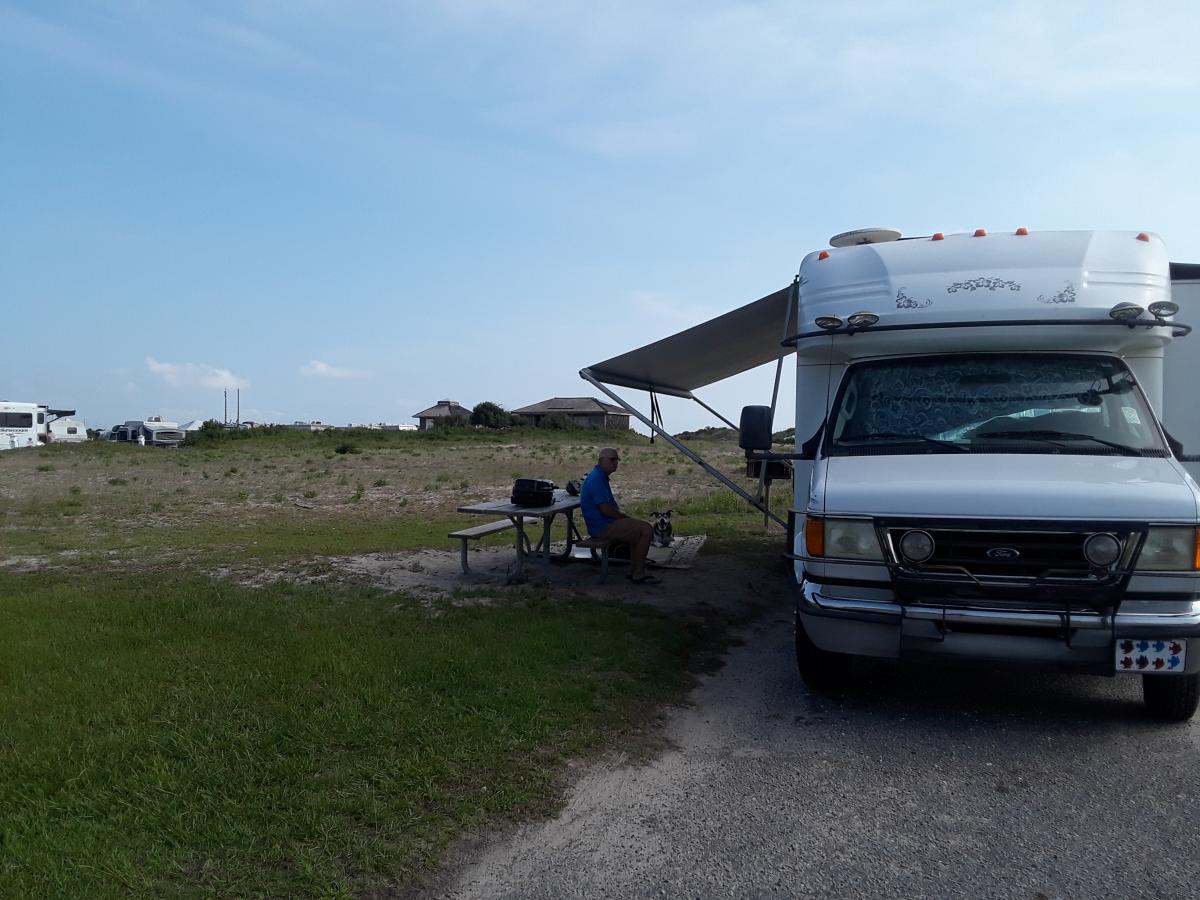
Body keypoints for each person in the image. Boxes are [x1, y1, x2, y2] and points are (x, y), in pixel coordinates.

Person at [579, 447, 660, 584]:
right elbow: (605, 510)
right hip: (603, 526)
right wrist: (625, 518)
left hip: (604, 523)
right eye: (612, 459)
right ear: (600, 461)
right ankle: (638, 573)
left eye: (616, 459)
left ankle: (634, 571)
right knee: (646, 529)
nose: (615, 462)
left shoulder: (600, 477)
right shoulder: (596, 479)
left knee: (637, 533)